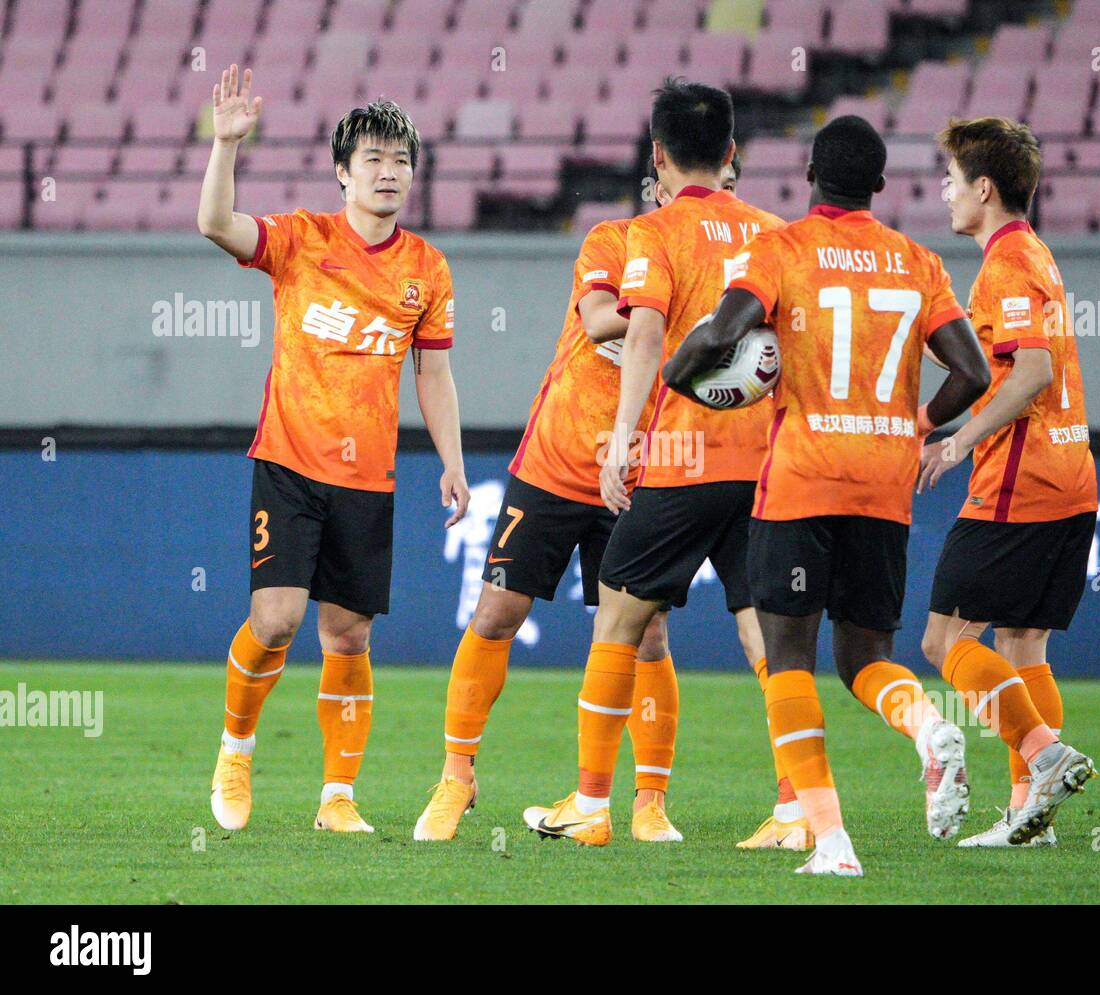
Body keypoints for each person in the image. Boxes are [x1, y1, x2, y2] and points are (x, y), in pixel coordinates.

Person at [664, 115, 992, 874]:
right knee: (867, 654)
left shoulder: (781, 248)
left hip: (803, 481)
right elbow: (973, 374)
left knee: (788, 660)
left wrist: (679, 379)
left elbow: (722, 334)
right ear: (880, 184)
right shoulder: (918, 262)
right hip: (884, 483)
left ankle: (833, 842)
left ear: (810, 174)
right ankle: (924, 727)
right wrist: (917, 422)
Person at [199, 66, 468, 833]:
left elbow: (435, 371)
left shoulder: (427, 268)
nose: (389, 172)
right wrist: (226, 146)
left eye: (401, 161)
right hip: (288, 462)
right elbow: (216, 223)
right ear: (343, 171)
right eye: (374, 159)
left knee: (348, 635)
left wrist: (451, 459)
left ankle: (336, 796)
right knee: (277, 620)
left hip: (368, 477)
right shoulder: (300, 240)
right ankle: (236, 745)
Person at [521, 80, 784, 847]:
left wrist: (627, 437)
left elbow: (640, 336)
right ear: (733, 154)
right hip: (763, 464)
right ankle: (797, 808)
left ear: (659, 157)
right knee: (765, 635)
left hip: (680, 461)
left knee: (618, 620)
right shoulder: (775, 234)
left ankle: (593, 805)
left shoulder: (655, 233)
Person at [918, 117, 1098, 847]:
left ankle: (1043, 755)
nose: (945, 191)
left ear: (984, 188)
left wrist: (959, 439)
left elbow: (1032, 370)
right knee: (1025, 645)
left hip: (1021, 484)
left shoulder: (1005, 265)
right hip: (1071, 476)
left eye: (953, 179)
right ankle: (1033, 810)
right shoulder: (1037, 255)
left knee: (941, 639)